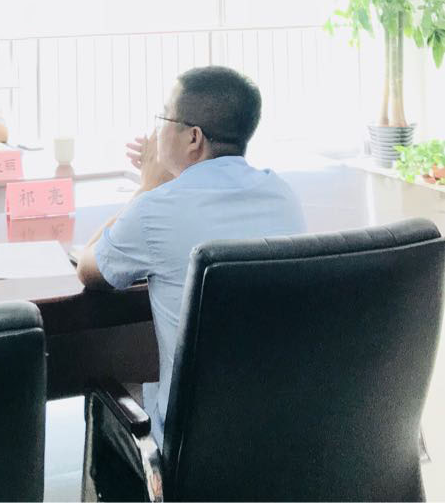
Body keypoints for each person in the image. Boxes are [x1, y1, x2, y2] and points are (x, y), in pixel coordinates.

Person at [78, 66, 305, 445]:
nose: (156, 133)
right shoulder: (283, 194)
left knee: (111, 387)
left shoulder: (155, 210)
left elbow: (89, 269)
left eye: (164, 118)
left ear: (193, 138)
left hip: (188, 442)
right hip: (279, 432)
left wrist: (148, 187)